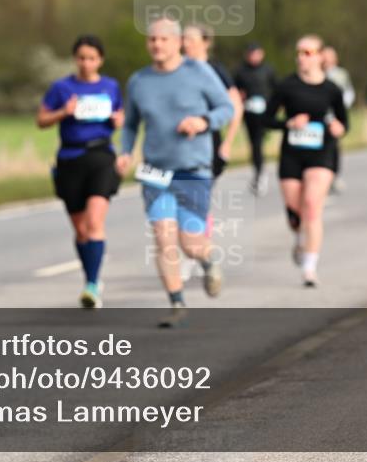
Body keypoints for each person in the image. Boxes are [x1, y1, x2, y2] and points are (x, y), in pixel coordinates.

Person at [117, 17, 233, 328]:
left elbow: (226, 108)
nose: (157, 44)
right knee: (163, 237)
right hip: (155, 170)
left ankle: (208, 261)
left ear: (178, 42)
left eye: (163, 39)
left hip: (193, 169)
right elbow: (130, 124)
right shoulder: (139, 81)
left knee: (189, 242)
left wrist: (203, 122)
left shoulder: (199, 73)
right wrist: (125, 151)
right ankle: (177, 302)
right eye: (152, 39)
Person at [37, 35, 123, 308]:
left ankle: (93, 285)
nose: (86, 63)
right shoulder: (61, 88)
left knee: (95, 222)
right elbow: (41, 120)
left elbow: (121, 116)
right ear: (75, 59)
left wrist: (118, 120)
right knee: (81, 230)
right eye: (82, 58)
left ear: (100, 60)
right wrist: (64, 111)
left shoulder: (110, 86)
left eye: (92, 58)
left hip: (101, 156)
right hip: (70, 158)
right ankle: (90, 277)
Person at [264, 35, 348, 285]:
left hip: (322, 153)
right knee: (295, 214)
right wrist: (288, 123)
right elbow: (266, 119)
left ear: (321, 56)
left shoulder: (332, 89)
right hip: (292, 154)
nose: (301, 57)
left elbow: (345, 123)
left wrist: (338, 127)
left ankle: (310, 268)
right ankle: (299, 238)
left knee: (312, 206)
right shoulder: (287, 86)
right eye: (299, 52)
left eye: (308, 52)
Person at [182, 24, 243, 181]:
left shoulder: (215, 70)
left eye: (191, 39)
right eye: (184, 38)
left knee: (198, 192)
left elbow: (235, 105)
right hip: (179, 136)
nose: (186, 43)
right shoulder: (176, 68)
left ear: (206, 43)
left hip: (208, 137)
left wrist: (228, 143)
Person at [233, 42, 277, 194]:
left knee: (258, 143)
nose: (253, 56)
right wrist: (240, 96)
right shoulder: (241, 71)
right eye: (251, 53)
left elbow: (276, 89)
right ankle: (258, 171)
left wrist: (272, 106)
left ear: (261, 54)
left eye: (256, 53)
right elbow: (234, 90)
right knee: (253, 144)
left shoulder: (268, 70)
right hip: (249, 113)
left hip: (264, 113)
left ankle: (260, 173)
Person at [322, 46, 354, 194]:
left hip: (335, 115)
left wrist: (341, 107)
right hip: (320, 115)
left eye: (330, 58)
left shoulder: (341, 74)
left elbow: (348, 92)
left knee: (333, 145)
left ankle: (334, 174)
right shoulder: (318, 73)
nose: (327, 61)